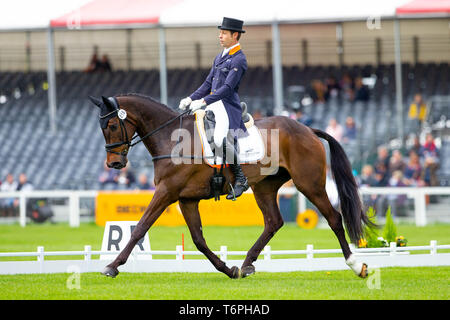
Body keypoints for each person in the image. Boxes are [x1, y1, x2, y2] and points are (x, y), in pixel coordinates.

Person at [178, 17, 249, 200]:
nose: (220, 36)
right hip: (213, 103)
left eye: (224, 33)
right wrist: (190, 98)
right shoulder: (220, 57)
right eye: (220, 32)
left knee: (218, 139)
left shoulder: (239, 59)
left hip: (227, 105)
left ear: (235, 35)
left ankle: (241, 178)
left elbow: (227, 89)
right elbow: (208, 83)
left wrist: (204, 102)